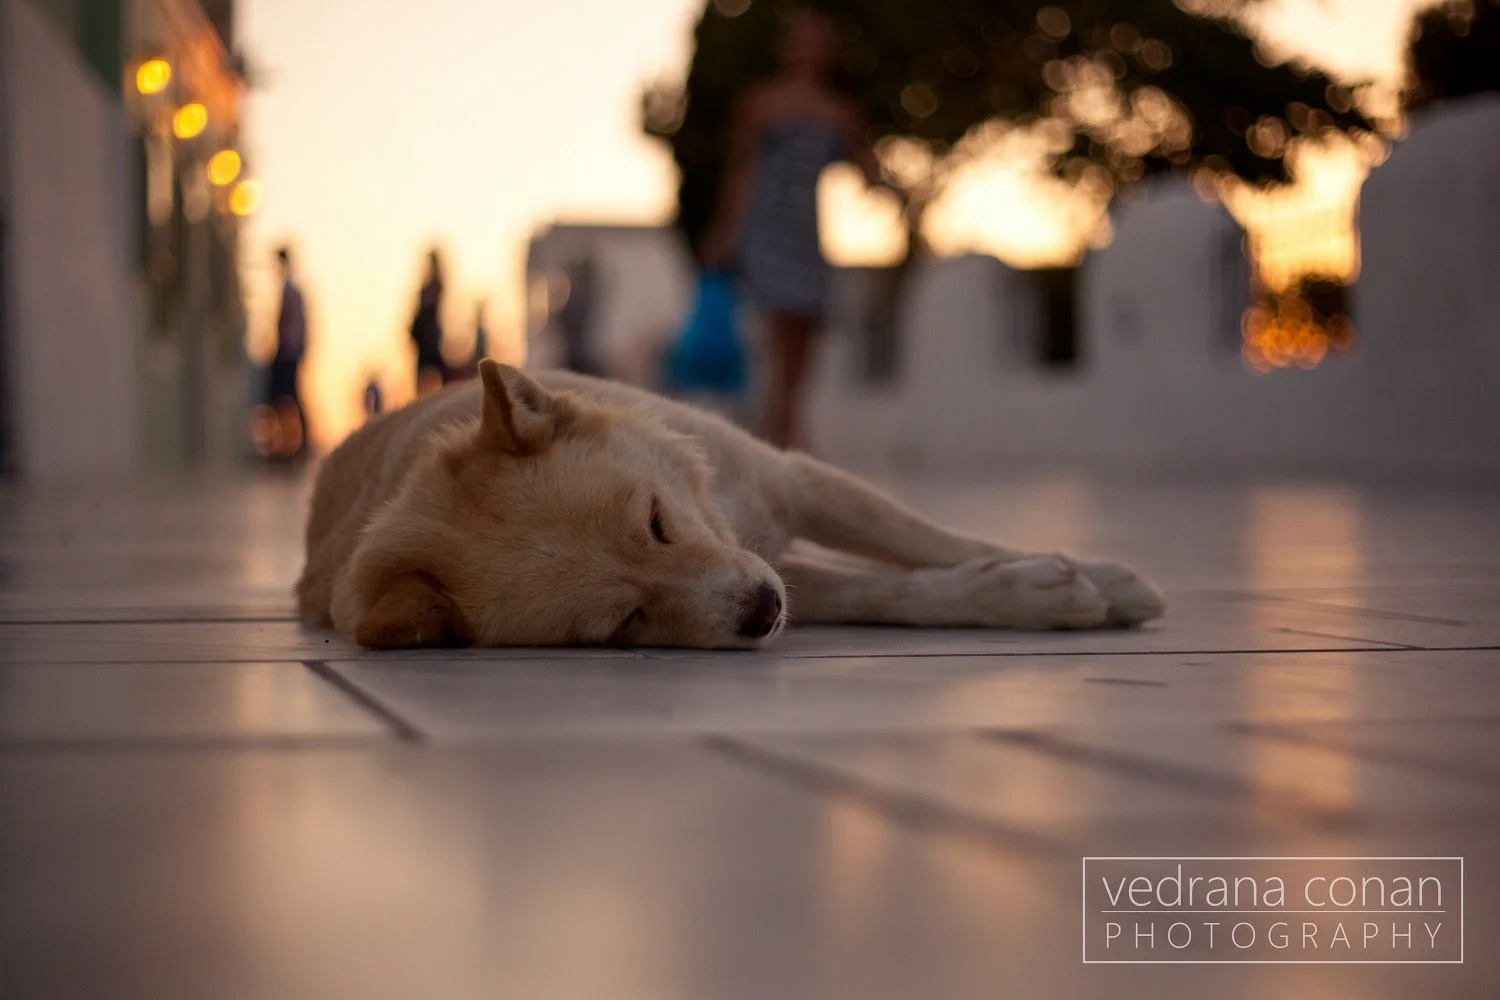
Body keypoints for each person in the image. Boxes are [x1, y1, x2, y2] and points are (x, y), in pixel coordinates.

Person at [700, 6, 899, 450]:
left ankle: (783, 435)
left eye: (819, 38)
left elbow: (868, 171)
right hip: (766, 229)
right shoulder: (762, 103)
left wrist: (902, 192)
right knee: (778, 336)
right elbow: (742, 171)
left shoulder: (841, 113)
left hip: (806, 233)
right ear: (784, 48)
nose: (810, 47)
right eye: (802, 37)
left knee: (804, 340)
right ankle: (784, 442)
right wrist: (725, 233)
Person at [266, 246, 309, 458]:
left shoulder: (289, 290)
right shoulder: (292, 289)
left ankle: (295, 443)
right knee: (285, 397)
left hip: (288, 351)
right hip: (290, 350)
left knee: (286, 396)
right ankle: (288, 442)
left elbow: (287, 322)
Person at [410, 248, 446, 396]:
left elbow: (429, 306)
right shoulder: (430, 282)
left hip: (429, 338)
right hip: (425, 338)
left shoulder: (436, 283)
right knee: (422, 377)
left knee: (434, 372)